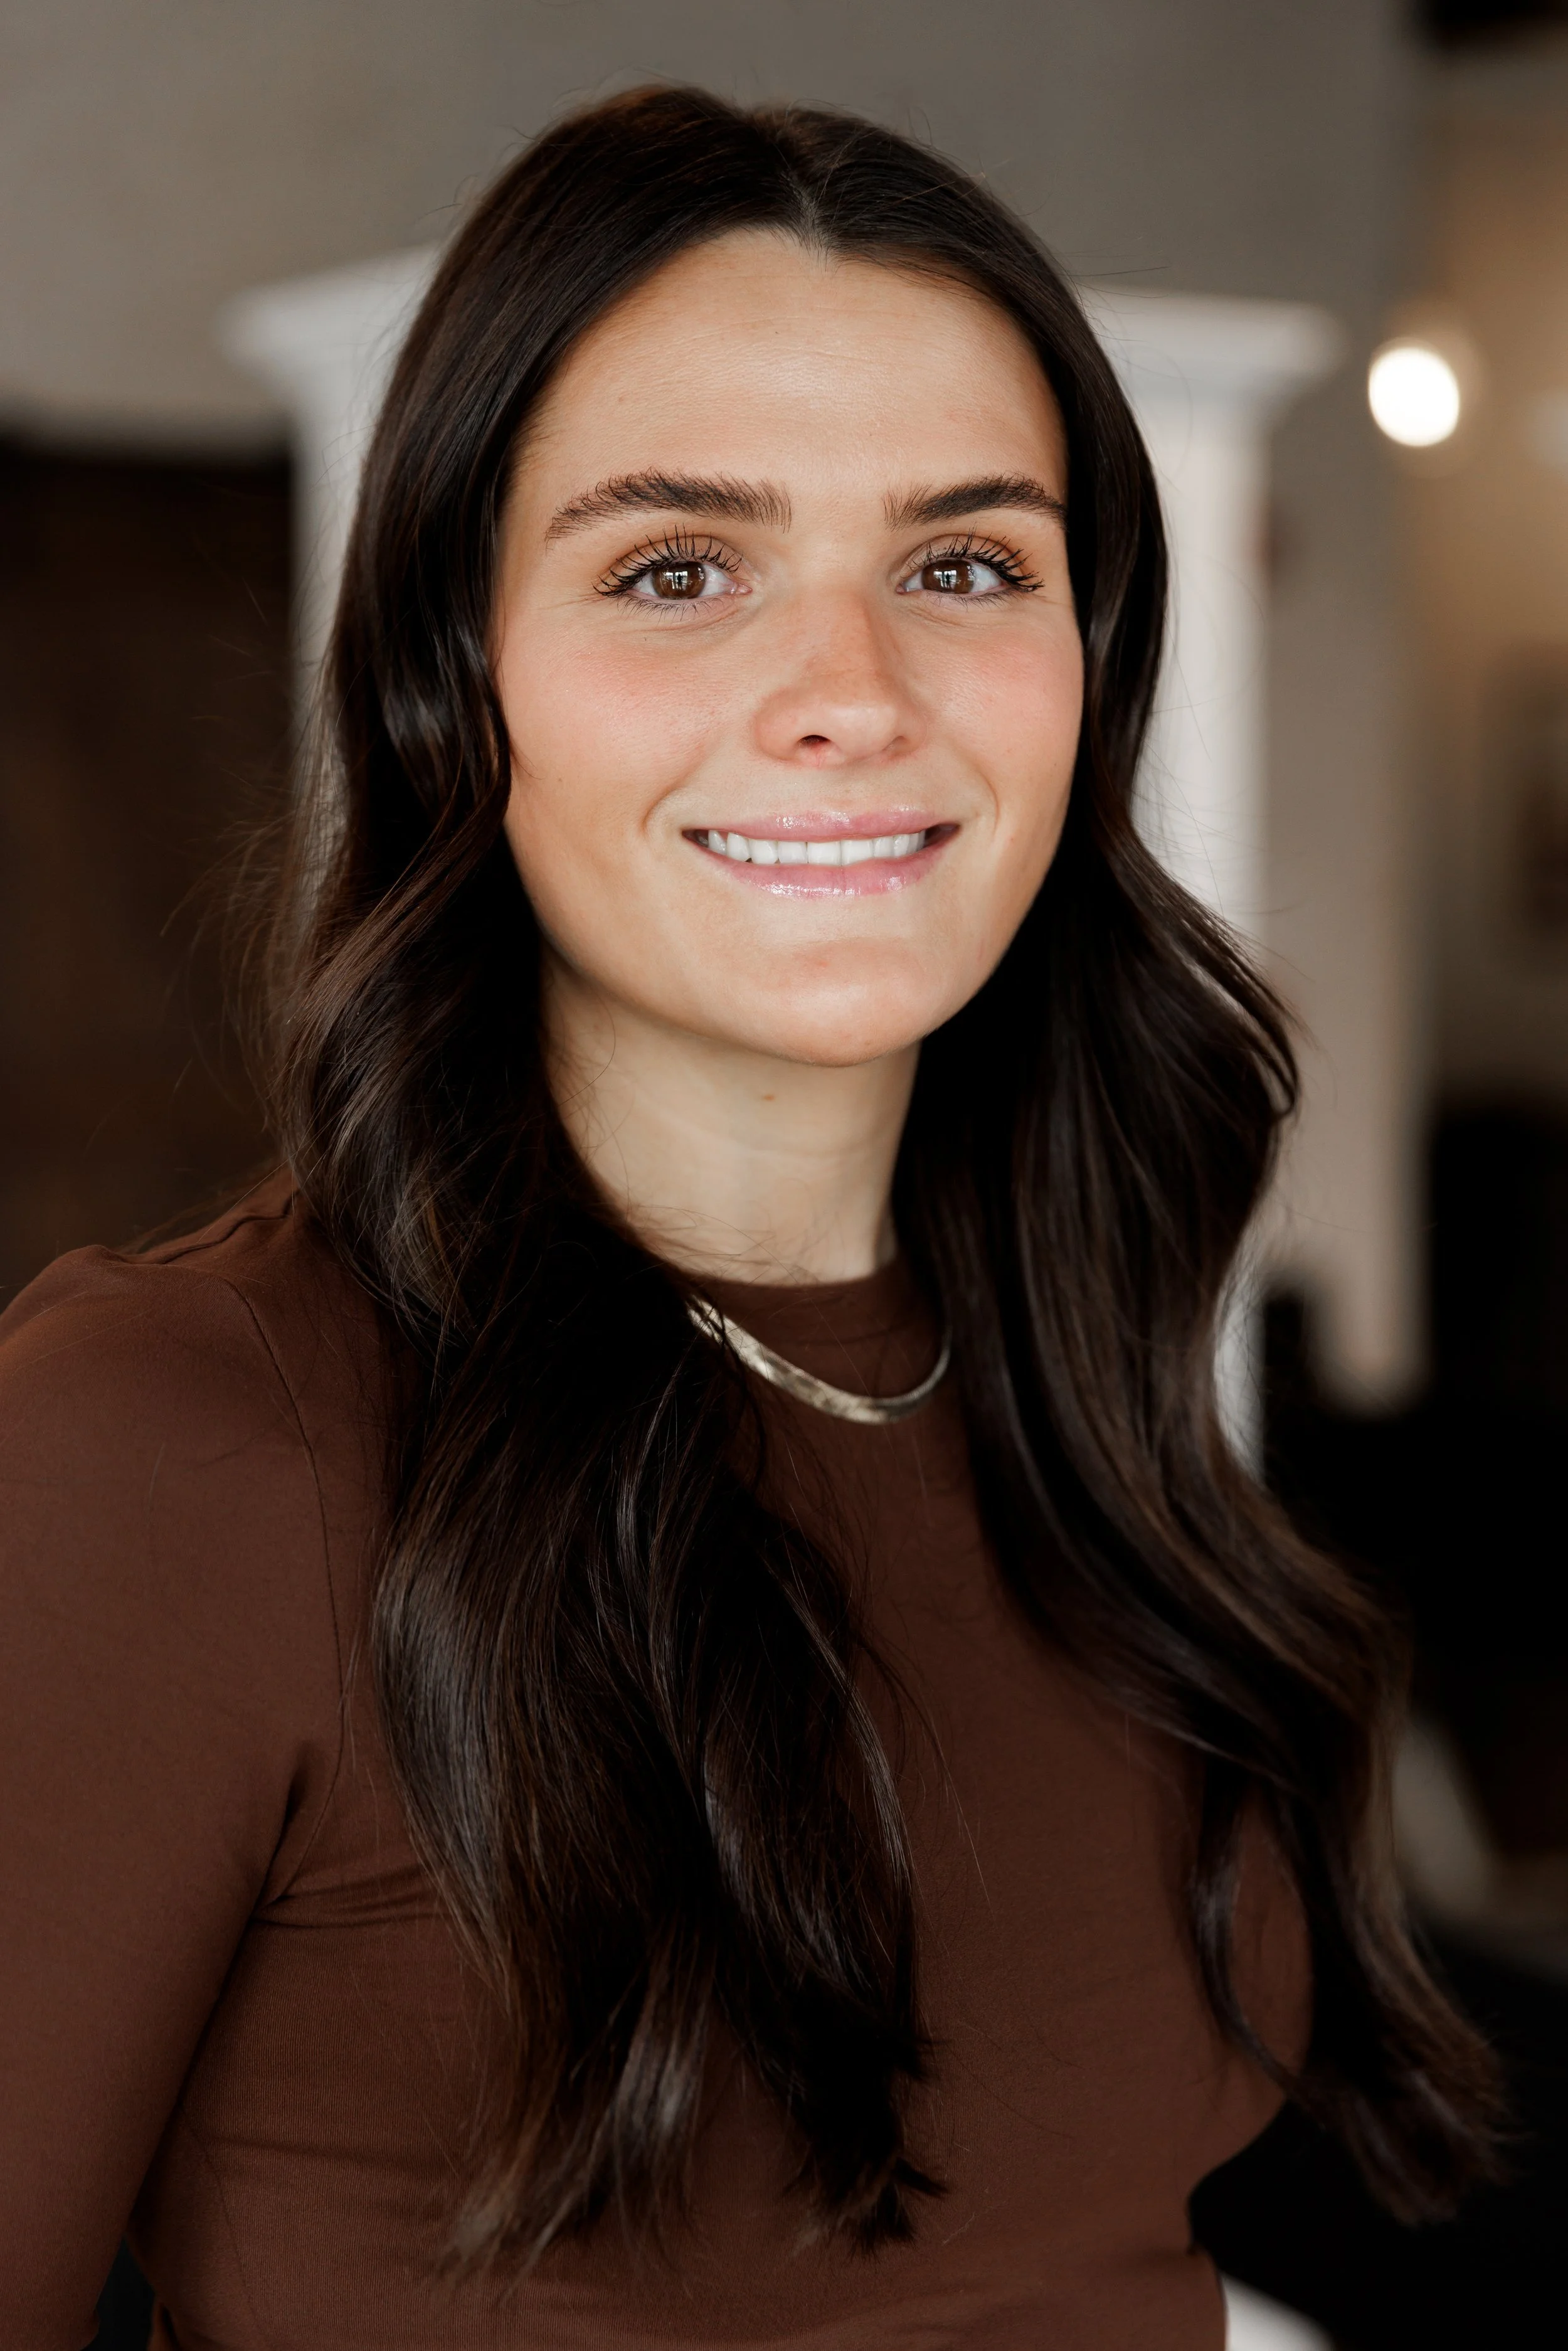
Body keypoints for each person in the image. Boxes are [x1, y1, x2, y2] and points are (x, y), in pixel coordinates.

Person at [0, 86, 1495, 2351]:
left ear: (1085, 676)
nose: (848, 698)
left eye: (963, 562)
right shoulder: (182, 1438)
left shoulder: (1080, 1402)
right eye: (677, 568)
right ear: (453, 673)